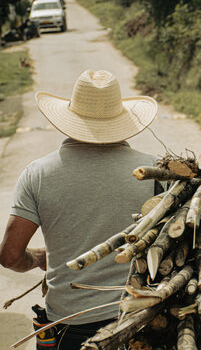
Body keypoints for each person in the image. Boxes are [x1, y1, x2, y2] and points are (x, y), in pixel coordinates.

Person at [0, 69, 159, 349]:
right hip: (137, 322)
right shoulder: (154, 172)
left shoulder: (37, 174)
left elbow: (10, 255)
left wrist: (36, 259)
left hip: (69, 326)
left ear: (70, 118)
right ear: (121, 118)